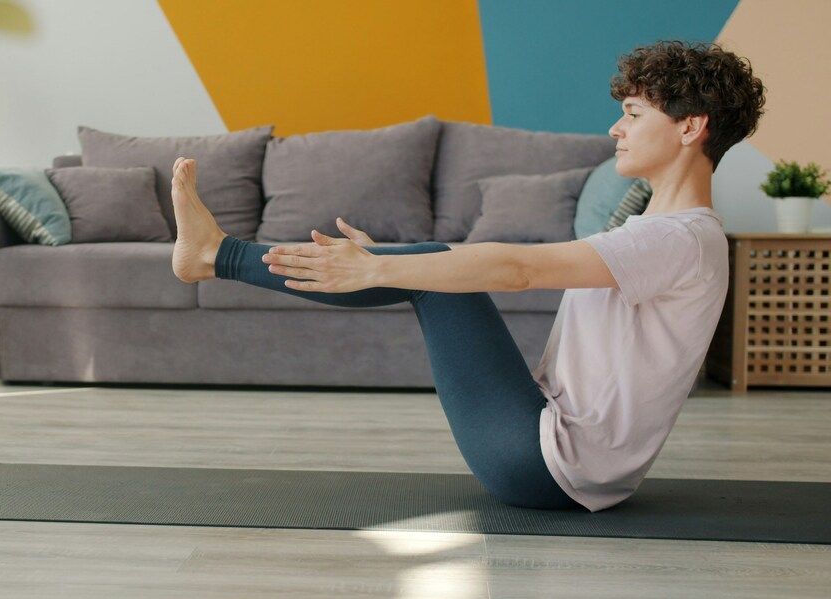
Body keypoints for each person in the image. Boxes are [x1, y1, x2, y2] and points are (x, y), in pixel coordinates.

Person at [167, 40, 766, 512]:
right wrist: (398, 263)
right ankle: (216, 255)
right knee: (428, 267)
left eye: (633, 114)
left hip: (546, 467)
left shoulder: (675, 238)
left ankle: (217, 256)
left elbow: (519, 268)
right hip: (563, 458)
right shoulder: (665, 230)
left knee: (429, 271)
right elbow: (490, 263)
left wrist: (389, 267)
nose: (616, 128)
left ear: (691, 127)